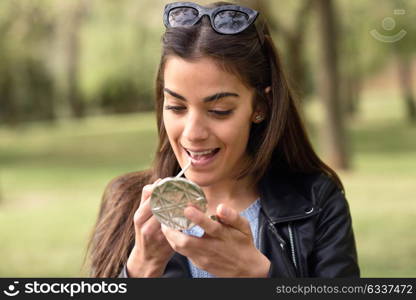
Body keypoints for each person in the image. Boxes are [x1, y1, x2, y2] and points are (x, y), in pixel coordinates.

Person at [86, 1, 360, 278]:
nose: (193, 132)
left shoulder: (316, 202)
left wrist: (257, 275)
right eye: (177, 107)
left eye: (219, 111)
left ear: (260, 107)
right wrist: (142, 267)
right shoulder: (126, 203)